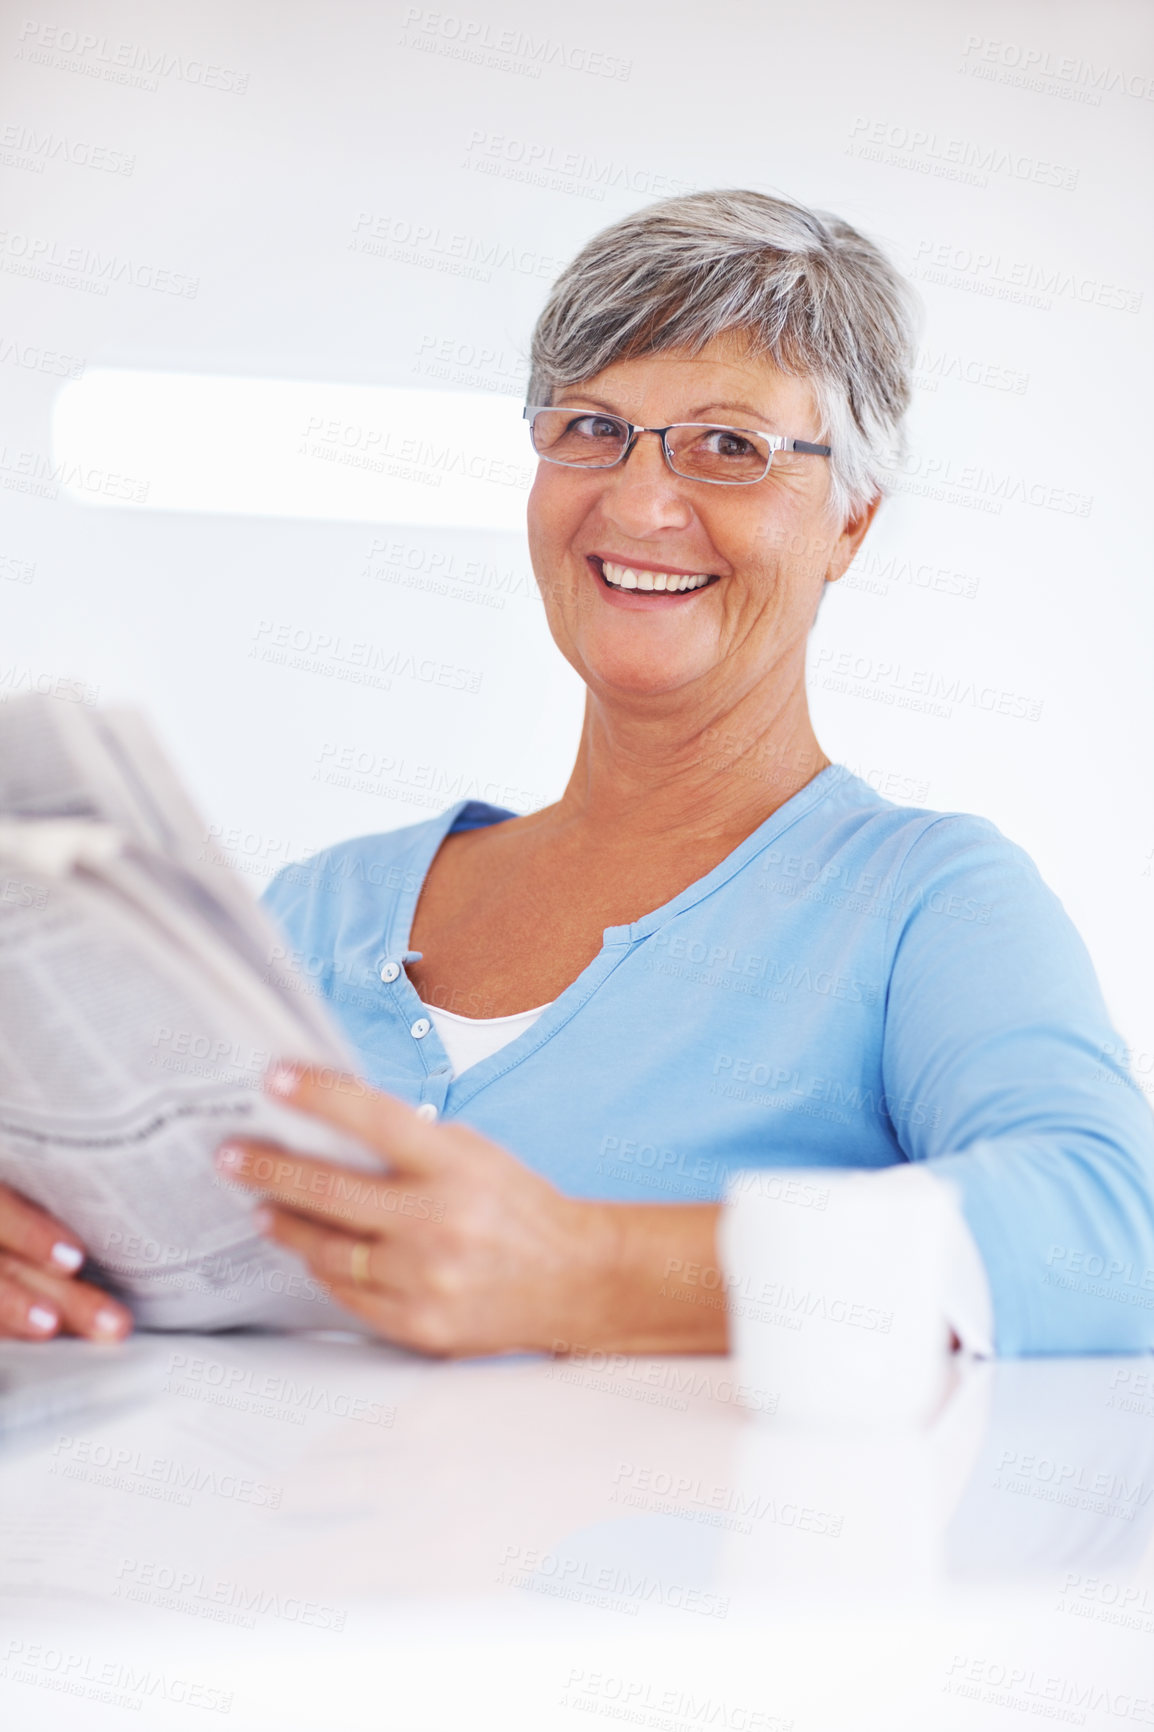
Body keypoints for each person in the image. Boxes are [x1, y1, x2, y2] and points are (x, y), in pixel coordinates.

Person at [4, 190, 1152, 1356]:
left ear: (848, 522)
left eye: (728, 446)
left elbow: (1109, 1234)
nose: (640, 501)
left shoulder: (923, 903)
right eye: (591, 428)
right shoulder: (316, 908)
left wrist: (588, 1274)